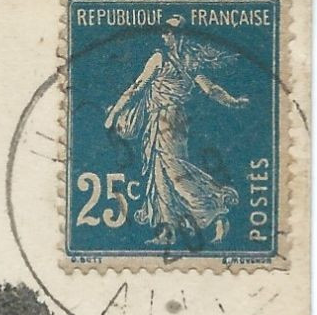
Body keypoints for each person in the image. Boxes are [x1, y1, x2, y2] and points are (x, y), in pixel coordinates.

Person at [104, 14, 250, 246]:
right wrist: (114, 113)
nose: (166, 35)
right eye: (165, 32)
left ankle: (215, 213)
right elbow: (137, 87)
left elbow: (210, 89)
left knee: (174, 171)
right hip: (160, 119)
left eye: (170, 31)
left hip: (169, 120)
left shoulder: (180, 61)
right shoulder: (167, 59)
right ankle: (167, 230)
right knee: (159, 172)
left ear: (180, 34)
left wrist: (232, 101)